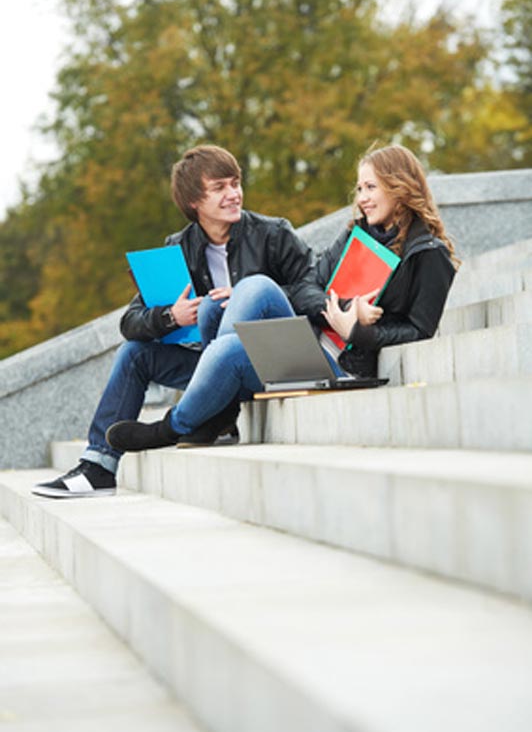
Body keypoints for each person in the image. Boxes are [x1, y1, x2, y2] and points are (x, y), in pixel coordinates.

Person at [105, 143, 459, 454]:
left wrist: (357, 330)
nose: (361, 197)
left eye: (371, 187)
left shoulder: (428, 255)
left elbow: (420, 332)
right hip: (310, 341)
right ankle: (217, 409)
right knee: (248, 289)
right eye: (359, 187)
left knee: (231, 346)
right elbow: (308, 284)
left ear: (400, 188)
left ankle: (173, 426)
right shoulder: (357, 233)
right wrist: (336, 310)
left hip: (343, 365)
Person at [32, 144, 320, 498]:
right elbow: (131, 322)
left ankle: (198, 418)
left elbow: (313, 289)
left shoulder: (273, 234)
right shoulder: (179, 249)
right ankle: (99, 466)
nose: (234, 194)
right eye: (220, 188)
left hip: (268, 360)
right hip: (215, 370)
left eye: (236, 183)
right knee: (136, 352)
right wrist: (172, 316)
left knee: (248, 293)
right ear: (194, 202)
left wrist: (245, 300)